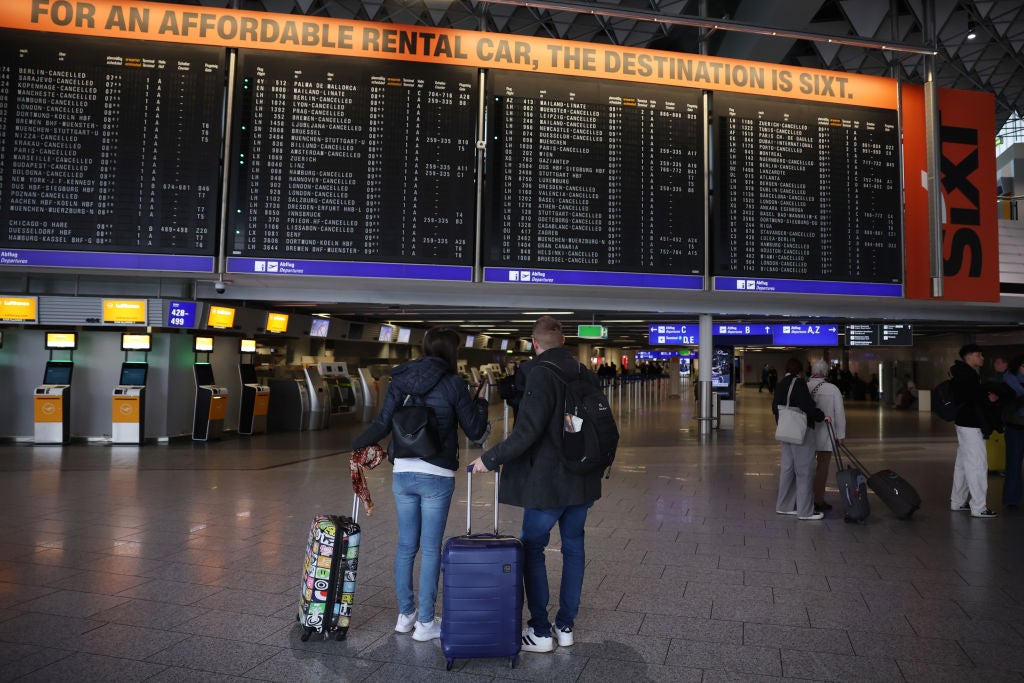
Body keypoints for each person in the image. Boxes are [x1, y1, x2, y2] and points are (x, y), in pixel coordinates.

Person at [468, 316, 603, 654]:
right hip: (583, 477)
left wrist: (490, 458)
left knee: (533, 547)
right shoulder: (583, 372)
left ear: (534, 343)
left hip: (548, 483)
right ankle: (566, 626)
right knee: (574, 548)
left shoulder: (541, 373)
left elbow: (527, 432)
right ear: (565, 341)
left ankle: (540, 630)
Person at [351, 327, 489, 641]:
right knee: (430, 550)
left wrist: (355, 444)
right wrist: (479, 405)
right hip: (437, 474)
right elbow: (475, 431)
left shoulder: (400, 378)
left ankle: (405, 615)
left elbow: (382, 423)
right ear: (452, 352)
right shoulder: (454, 383)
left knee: (405, 547)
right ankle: (426, 623)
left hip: (402, 470)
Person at [949, 344, 1001, 518]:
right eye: (979, 355)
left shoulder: (962, 373)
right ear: (968, 357)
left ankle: (957, 501)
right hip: (971, 425)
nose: (982, 358)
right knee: (977, 465)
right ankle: (979, 507)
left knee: (963, 465)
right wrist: (989, 398)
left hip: (964, 423)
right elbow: (974, 399)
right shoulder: (967, 375)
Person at [773, 358, 827, 520]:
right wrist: (821, 416)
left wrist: (783, 423)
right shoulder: (799, 383)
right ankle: (805, 511)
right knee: (804, 471)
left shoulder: (781, 383)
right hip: (800, 433)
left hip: (785, 431)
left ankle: (784, 506)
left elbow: (774, 407)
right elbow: (807, 406)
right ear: (801, 371)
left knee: (787, 469)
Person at [807, 360, 846, 514]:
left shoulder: (805, 386)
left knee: (806, 468)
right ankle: (818, 499)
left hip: (807, 434)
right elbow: (839, 413)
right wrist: (840, 435)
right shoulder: (833, 389)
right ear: (826, 373)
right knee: (822, 469)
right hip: (826, 435)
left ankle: (804, 498)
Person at [1001, 357, 1024, 509]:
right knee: (1014, 464)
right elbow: (1018, 393)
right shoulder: (1009, 377)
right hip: (1016, 426)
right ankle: (1011, 499)